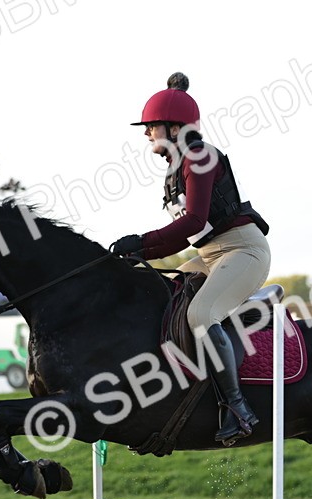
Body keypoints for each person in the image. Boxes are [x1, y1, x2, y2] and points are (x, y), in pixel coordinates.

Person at [109, 73, 271, 446]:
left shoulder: (199, 156)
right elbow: (187, 237)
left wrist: (142, 242)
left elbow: (194, 222)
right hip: (209, 255)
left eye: (151, 126)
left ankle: (237, 408)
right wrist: (136, 255)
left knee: (200, 315)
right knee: (161, 297)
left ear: (173, 126)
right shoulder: (175, 171)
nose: (146, 134)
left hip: (242, 250)